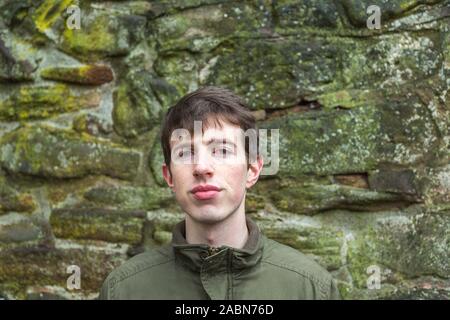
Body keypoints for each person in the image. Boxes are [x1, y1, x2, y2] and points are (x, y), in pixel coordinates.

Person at [99, 86, 341, 300]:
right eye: (185, 153)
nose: (202, 167)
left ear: (253, 170)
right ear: (169, 176)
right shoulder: (122, 291)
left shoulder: (311, 289)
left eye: (222, 150)